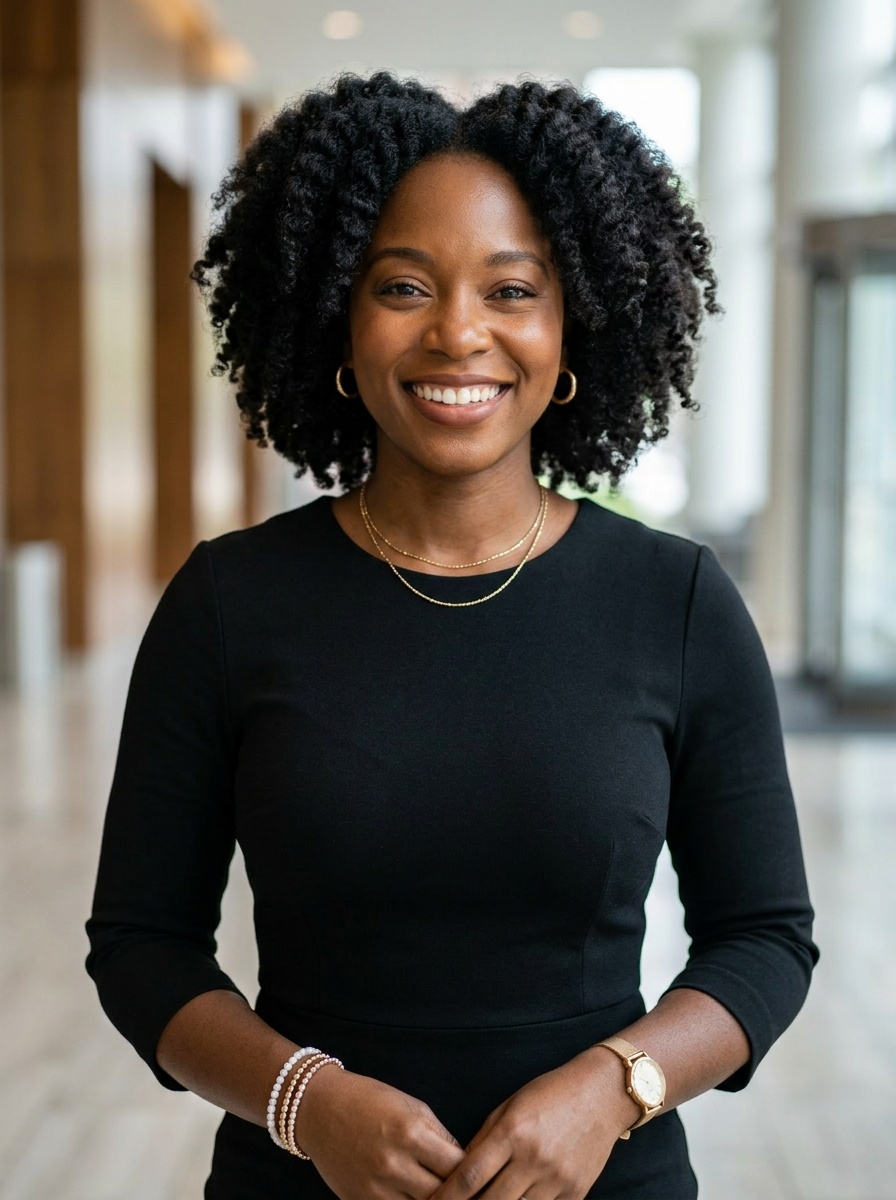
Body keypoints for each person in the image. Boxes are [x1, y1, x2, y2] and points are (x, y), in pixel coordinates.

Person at [86, 73, 818, 1200]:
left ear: (570, 323)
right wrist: (306, 1101)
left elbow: (763, 939)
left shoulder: (672, 599)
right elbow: (140, 945)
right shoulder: (227, 602)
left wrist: (612, 1087)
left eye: (511, 288)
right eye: (401, 285)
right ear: (336, 313)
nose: (458, 332)